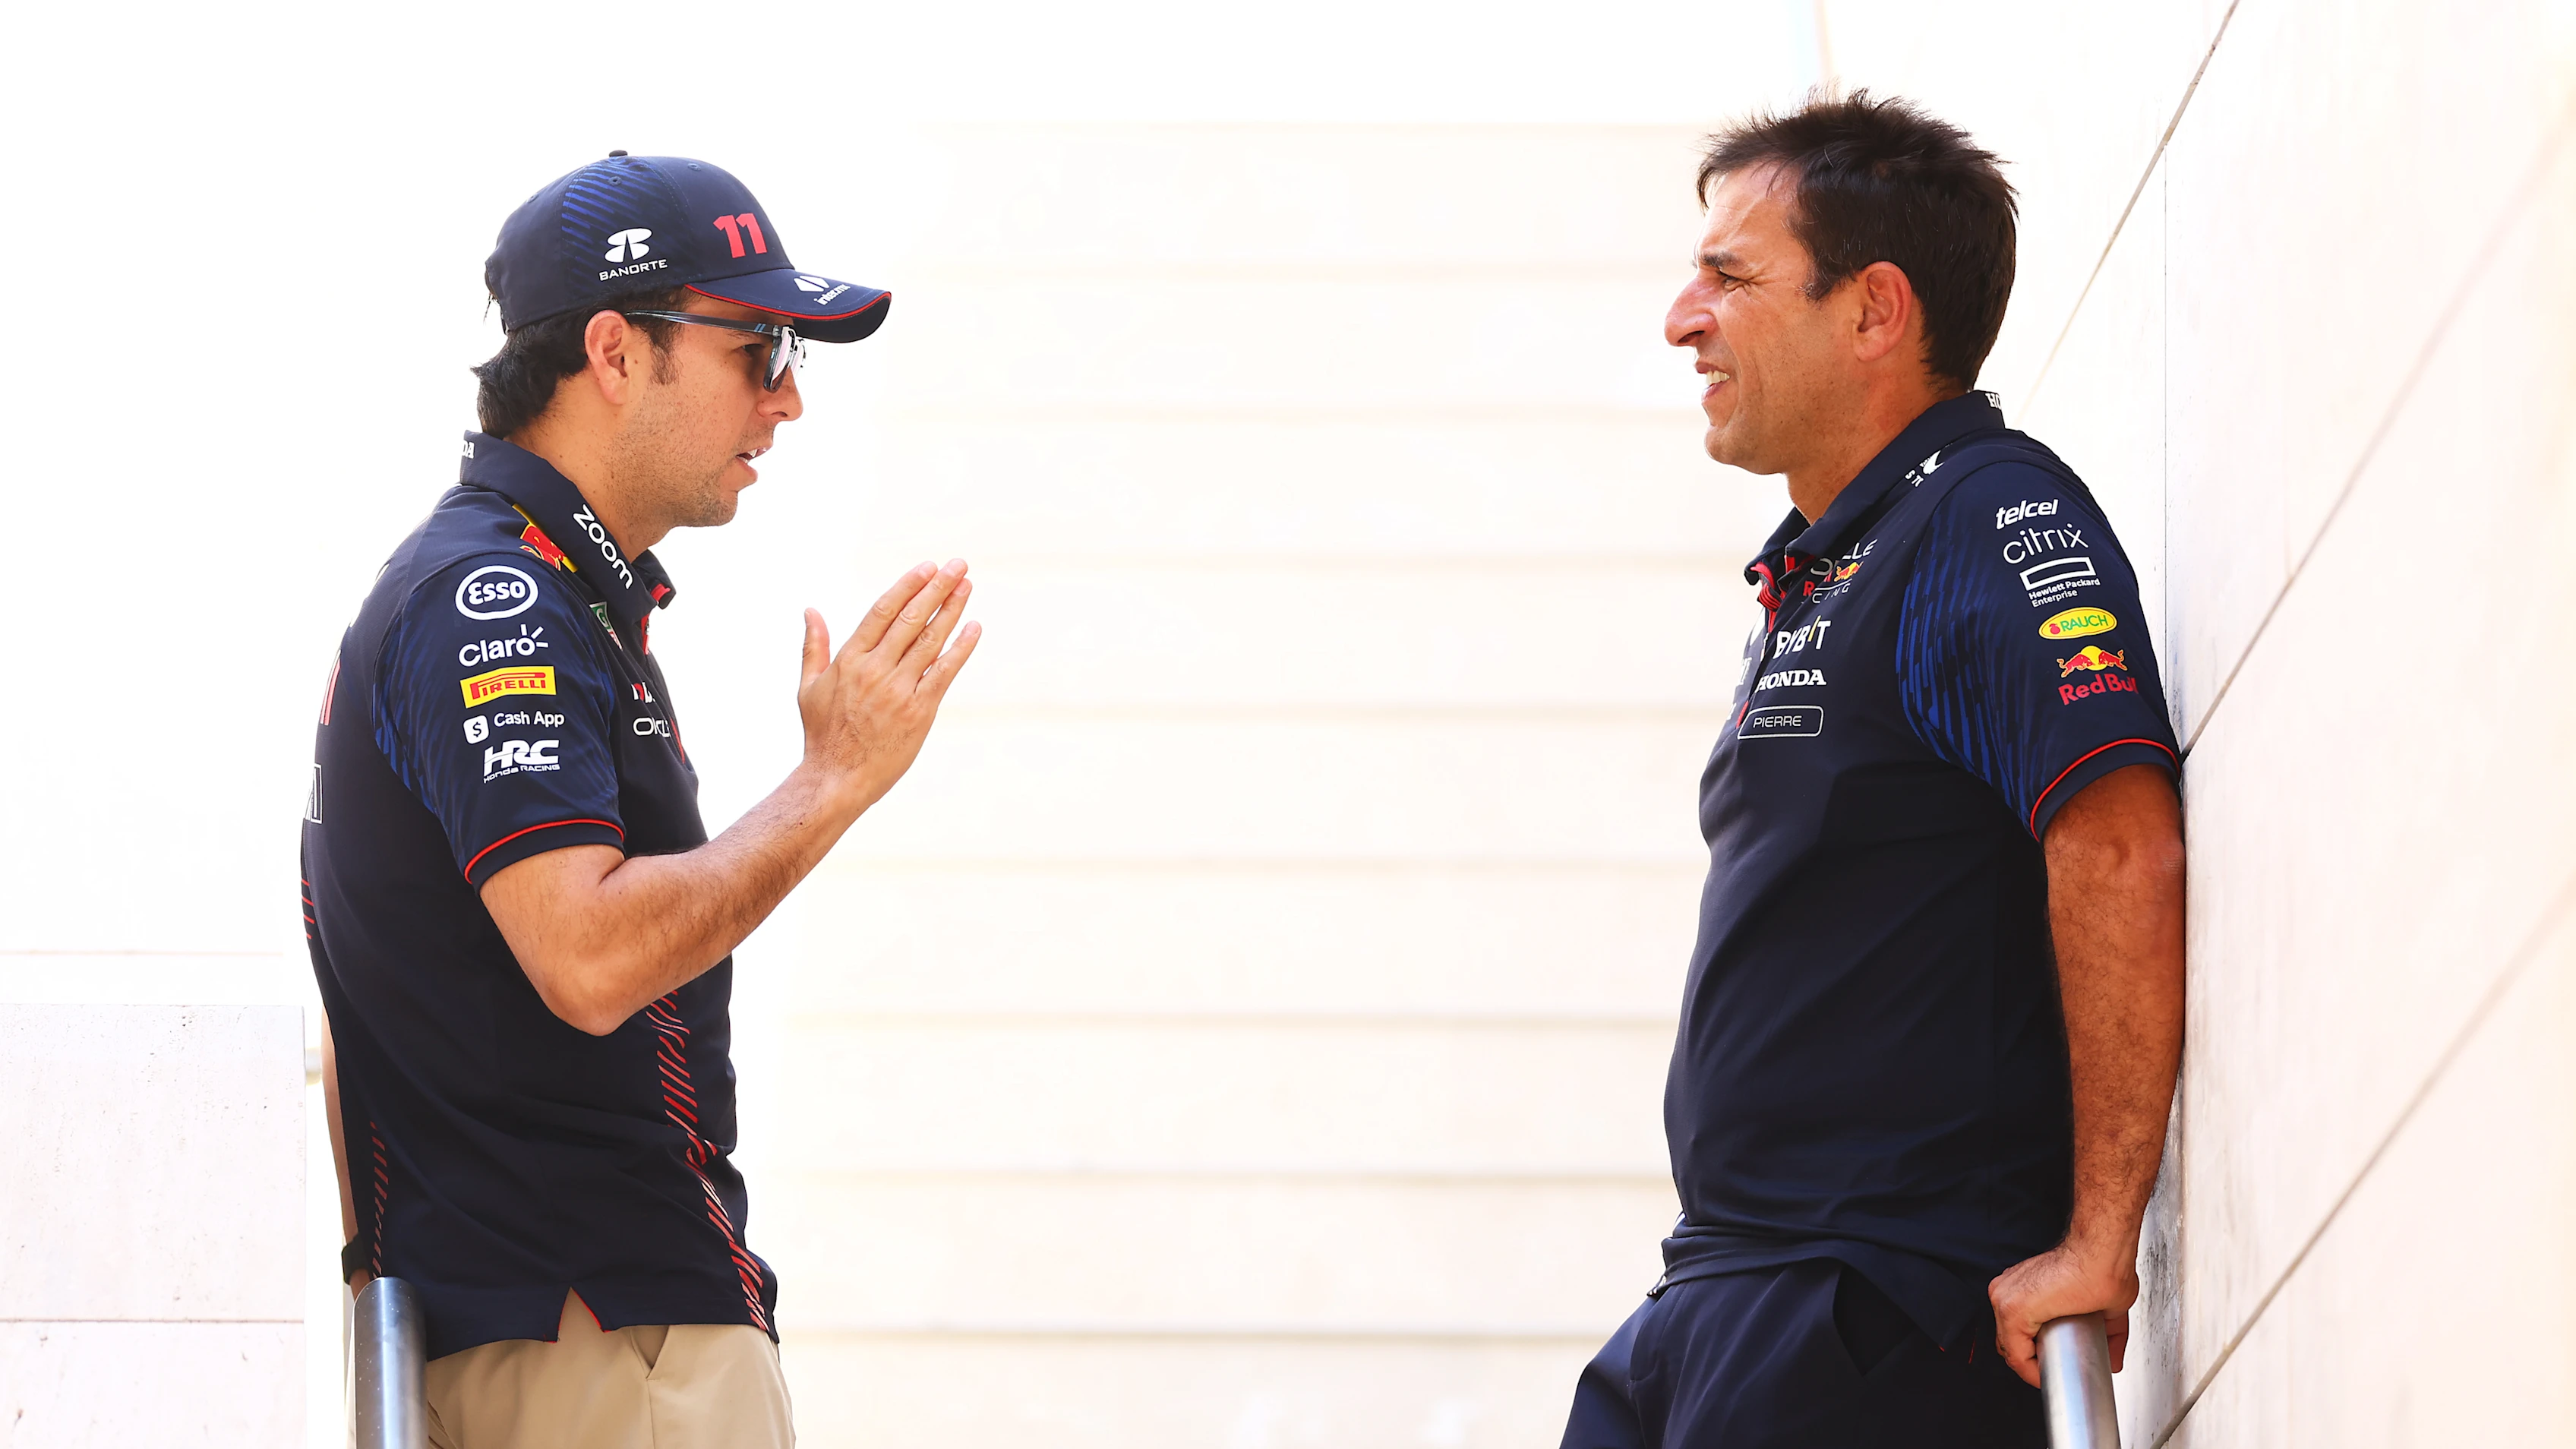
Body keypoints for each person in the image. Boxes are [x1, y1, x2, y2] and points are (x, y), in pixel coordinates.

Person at [302, 151, 980, 1448]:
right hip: (615, 1351)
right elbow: (590, 954)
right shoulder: (499, 598)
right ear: (616, 353)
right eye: (758, 348)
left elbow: (364, 1030)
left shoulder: (491, 587)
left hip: (537, 1343)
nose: (787, 399)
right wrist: (835, 781)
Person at [1558, 94, 2187, 1447]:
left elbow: (2121, 841)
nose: (1682, 319)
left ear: (1873, 310)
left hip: (1868, 1308)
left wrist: (2098, 1240)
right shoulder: (1835, 560)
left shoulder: (1985, 513)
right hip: (1719, 1299)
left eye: (1730, 276)